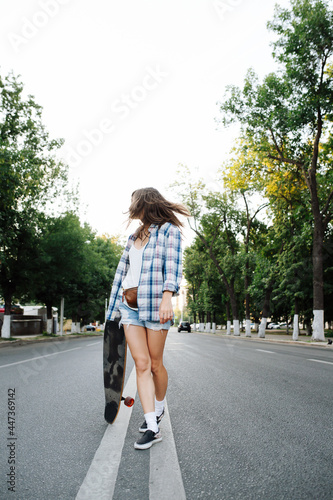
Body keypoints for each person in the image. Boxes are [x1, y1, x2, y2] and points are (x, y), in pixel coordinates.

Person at [106, 187, 190, 450]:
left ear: (145, 202)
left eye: (135, 202)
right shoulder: (134, 236)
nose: (132, 207)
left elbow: (173, 266)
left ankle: (159, 407)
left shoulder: (169, 231)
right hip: (129, 306)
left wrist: (168, 297)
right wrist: (112, 312)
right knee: (141, 364)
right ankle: (152, 427)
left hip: (155, 305)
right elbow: (122, 272)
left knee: (155, 365)